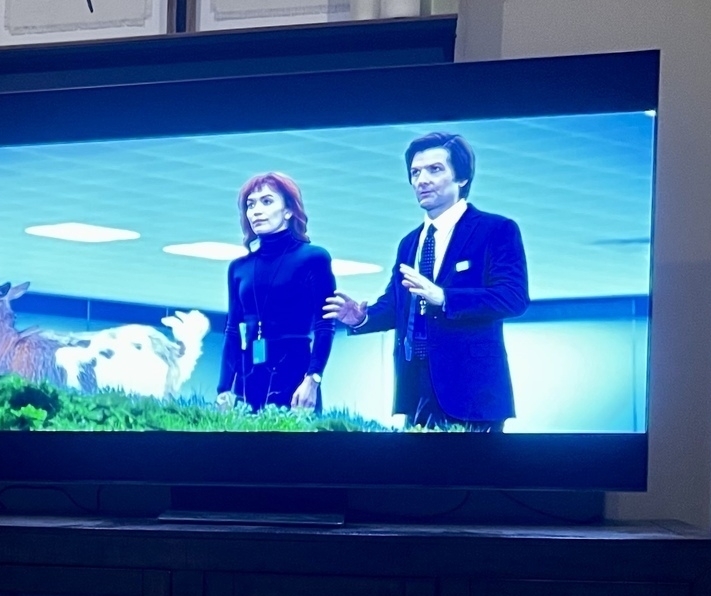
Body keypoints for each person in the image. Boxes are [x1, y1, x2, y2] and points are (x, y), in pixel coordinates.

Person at [323, 132, 530, 430]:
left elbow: (513, 297)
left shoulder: (495, 230)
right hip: (416, 386)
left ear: (462, 179)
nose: (422, 180)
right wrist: (361, 318)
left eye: (435, 170)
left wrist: (444, 297)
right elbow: (397, 305)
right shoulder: (409, 243)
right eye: (415, 172)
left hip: (473, 394)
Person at [216, 173, 336, 413]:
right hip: (248, 377)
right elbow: (232, 330)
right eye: (250, 204)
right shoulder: (238, 268)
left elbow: (325, 325)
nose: (256, 211)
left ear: (289, 210)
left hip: (295, 375)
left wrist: (313, 379)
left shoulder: (312, 258)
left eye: (267, 201)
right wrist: (223, 389)